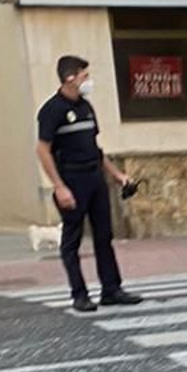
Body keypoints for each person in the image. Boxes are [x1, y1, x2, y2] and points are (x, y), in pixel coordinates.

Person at [35, 55, 140, 313]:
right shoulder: (52, 110)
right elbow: (43, 150)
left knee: (104, 235)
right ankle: (79, 294)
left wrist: (117, 175)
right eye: (85, 76)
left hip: (94, 177)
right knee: (72, 239)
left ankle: (111, 289)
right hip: (71, 179)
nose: (88, 81)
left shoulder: (86, 107)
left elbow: (95, 148)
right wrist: (59, 187)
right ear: (70, 78)